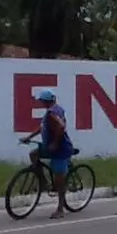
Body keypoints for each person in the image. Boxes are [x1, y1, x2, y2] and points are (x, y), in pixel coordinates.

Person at [20, 89, 74, 219]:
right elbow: (42, 127)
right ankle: (43, 181)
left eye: (41, 101)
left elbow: (61, 126)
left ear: (45, 101)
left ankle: (60, 209)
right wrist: (29, 137)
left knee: (59, 180)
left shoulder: (51, 113)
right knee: (34, 154)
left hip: (60, 149)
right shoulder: (55, 110)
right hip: (50, 148)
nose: (40, 103)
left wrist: (55, 143)